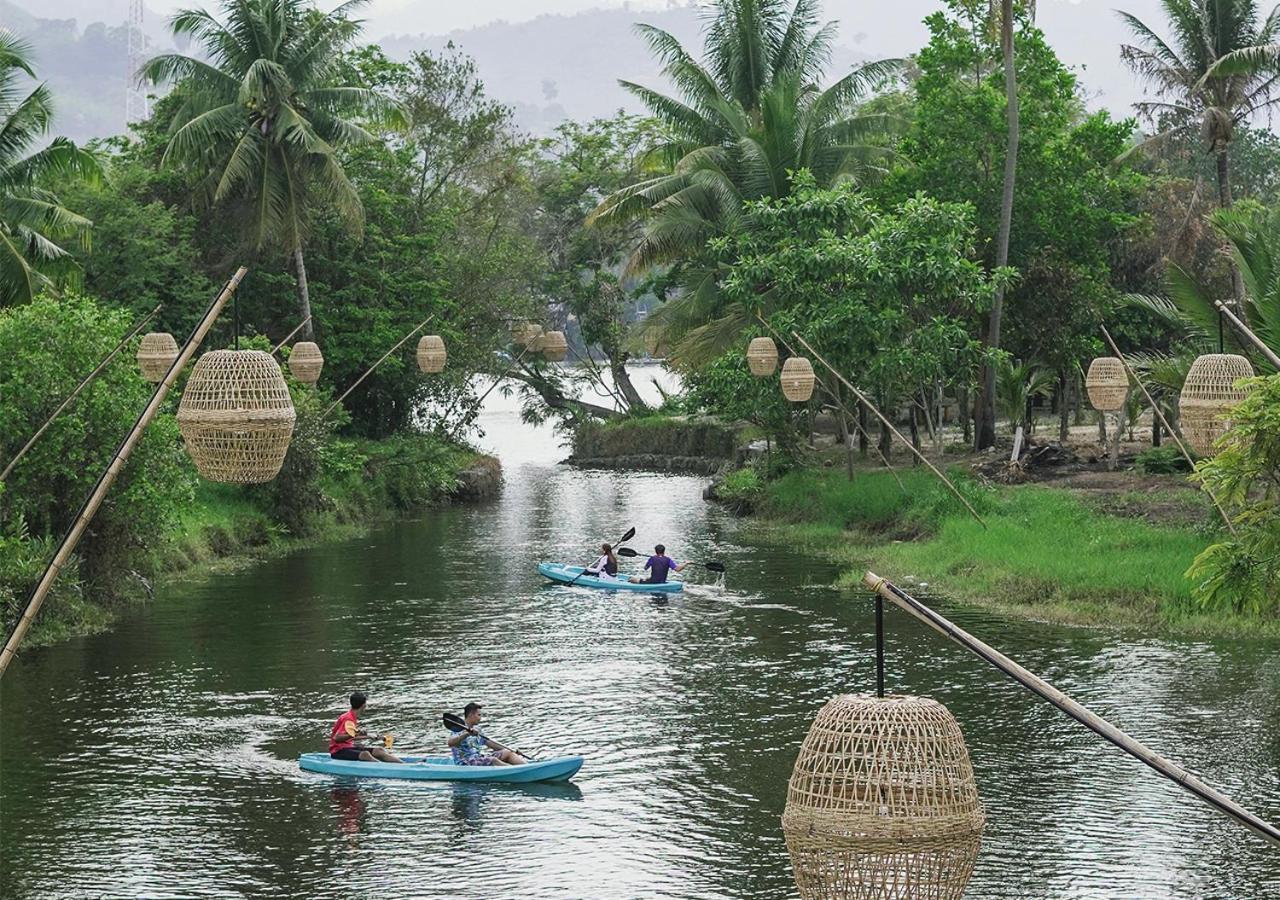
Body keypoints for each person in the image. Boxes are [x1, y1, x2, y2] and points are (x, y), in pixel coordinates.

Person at [329, 692, 403, 763]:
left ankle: (404, 765)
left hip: (348, 747)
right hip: (338, 751)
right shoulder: (348, 718)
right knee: (365, 754)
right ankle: (385, 768)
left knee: (379, 750)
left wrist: (368, 736)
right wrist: (355, 734)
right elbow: (337, 738)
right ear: (363, 705)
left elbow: (350, 737)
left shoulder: (351, 716)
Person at [447, 702, 528, 766]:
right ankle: (515, 772)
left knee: (507, 752)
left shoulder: (478, 729)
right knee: (492, 760)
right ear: (471, 715)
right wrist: (467, 734)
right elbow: (450, 743)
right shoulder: (458, 729)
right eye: (479, 715)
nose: (480, 718)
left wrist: (512, 750)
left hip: (478, 758)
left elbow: (491, 744)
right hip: (465, 762)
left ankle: (526, 767)